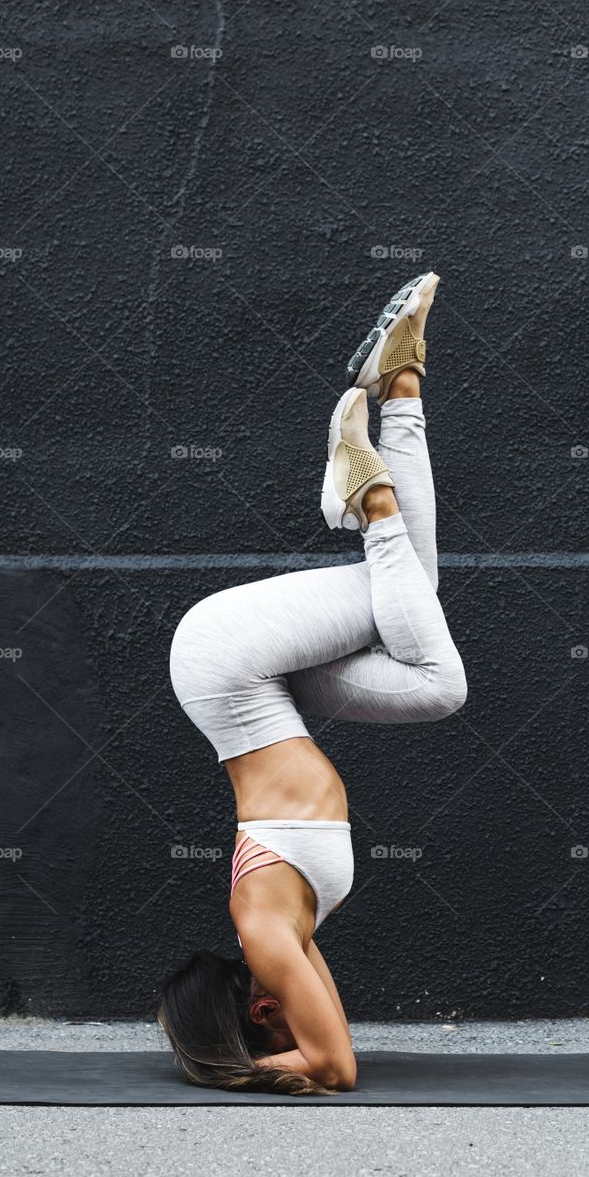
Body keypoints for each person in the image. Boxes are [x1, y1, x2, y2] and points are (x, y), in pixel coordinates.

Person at [159, 272, 466, 1094]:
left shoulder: (265, 938)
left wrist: (239, 1073)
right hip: (262, 684)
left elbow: (334, 1068)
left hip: (228, 663)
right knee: (415, 605)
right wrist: (246, 1051)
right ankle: (398, 385)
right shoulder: (283, 940)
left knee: (439, 681)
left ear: (259, 1016)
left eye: (270, 1031)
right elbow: (329, 1038)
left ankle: (366, 495)